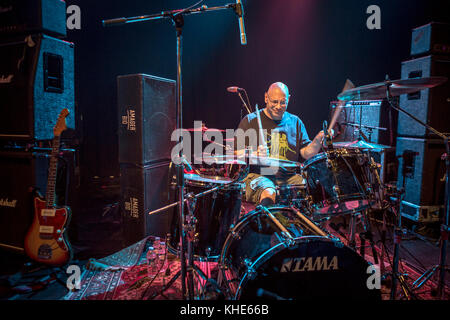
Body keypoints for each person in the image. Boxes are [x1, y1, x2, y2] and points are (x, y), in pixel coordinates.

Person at [235, 82, 328, 207]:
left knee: (312, 188)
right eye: (274, 102)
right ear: (266, 98)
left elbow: (306, 154)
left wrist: (317, 140)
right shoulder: (250, 120)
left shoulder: (295, 122)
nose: (278, 106)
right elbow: (235, 153)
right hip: (258, 175)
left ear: (289, 99)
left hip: (288, 177)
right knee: (269, 192)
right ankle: (265, 224)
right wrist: (254, 154)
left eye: (283, 102)